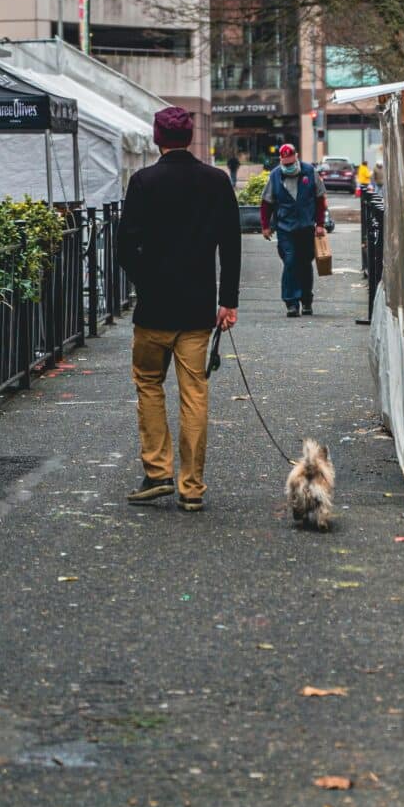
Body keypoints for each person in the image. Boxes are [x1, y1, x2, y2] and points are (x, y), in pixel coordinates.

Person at [116, 105, 241, 512]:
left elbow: (124, 248)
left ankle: (157, 473)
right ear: (191, 138)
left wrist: (145, 282)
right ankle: (192, 487)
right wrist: (228, 301)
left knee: (149, 385)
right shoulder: (216, 181)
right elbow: (231, 245)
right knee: (194, 395)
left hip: (153, 309)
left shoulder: (143, 182)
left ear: (157, 138)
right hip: (197, 309)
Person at [260, 143, 332, 317]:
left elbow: (320, 199)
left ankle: (306, 300)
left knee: (305, 264)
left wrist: (320, 224)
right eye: (285, 164)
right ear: (280, 160)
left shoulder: (309, 172)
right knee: (290, 261)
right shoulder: (275, 175)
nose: (288, 166)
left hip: (306, 226)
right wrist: (265, 226)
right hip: (285, 227)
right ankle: (291, 302)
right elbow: (266, 203)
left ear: (296, 157)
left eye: (291, 162)